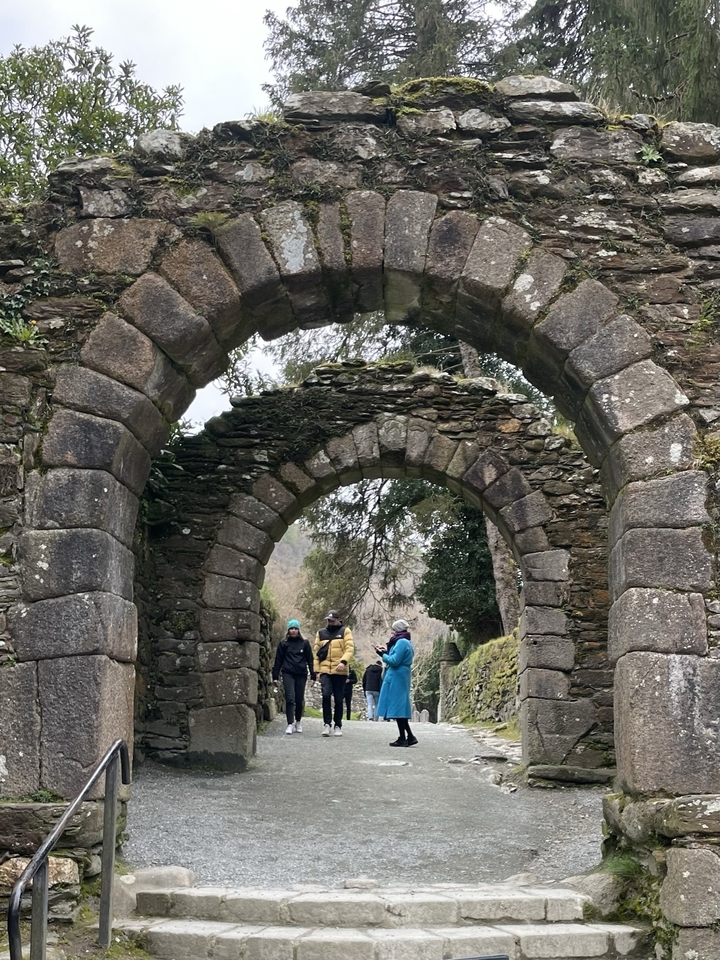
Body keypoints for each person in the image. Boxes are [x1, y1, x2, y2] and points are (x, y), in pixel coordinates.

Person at [374, 619, 417, 747]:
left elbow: (394, 661)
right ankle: (409, 736)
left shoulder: (401, 642)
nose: (392, 633)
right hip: (402, 675)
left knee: (397, 707)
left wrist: (382, 654)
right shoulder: (407, 642)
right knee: (400, 706)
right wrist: (386, 653)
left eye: (393, 630)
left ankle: (403, 738)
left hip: (396, 676)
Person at [313, 609, 354, 737]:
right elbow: (316, 653)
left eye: (332, 620)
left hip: (339, 671)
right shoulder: (321, 633)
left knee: (338, 698)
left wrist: (343, 662)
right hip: (325, 670)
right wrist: (317, 671)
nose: (330, 622)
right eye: (328, 620)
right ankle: (326, 723)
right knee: (325, 695)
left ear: (337, 620)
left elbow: (349, 648)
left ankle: (338, 725)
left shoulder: (345, 631)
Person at [272, 619, 315, 735]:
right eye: (291, 629)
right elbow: (278, 660)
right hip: (288, 673)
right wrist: (275, 676)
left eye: (295, 629)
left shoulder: (305, 643)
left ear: (298, 630)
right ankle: (290, 723)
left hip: (301, 674)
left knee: (299, 699)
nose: (294, 631)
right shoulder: (283, 644)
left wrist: (313, 676)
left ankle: (298, 721)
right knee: (290, 698)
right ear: (288, 630)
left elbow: (310, 660)